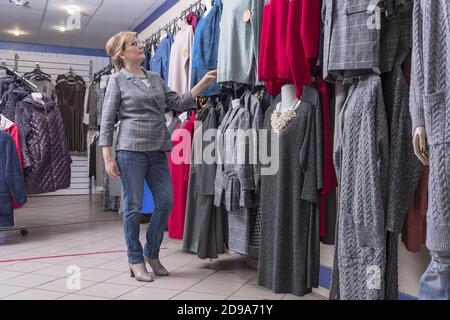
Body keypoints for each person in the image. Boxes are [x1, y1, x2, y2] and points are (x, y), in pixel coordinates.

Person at [100, 31, 217, 282]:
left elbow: (178, 102)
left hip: (157, 149)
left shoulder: (154, 77)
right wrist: (107, 157)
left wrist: (203, 84)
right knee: (132, 206)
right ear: (121, 54)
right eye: (134, 44)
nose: (140, 46)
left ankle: (151, 253)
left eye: (139, 42)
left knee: (166, 202)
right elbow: (107, 121)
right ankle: (134, 259)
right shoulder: (117, 80)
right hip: (130, 149)